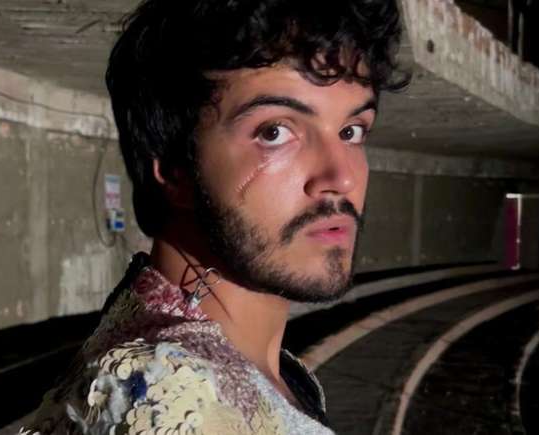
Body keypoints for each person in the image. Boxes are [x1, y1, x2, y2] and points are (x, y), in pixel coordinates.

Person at [23, 0, 407, 433]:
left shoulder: (222, 366)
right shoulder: (170, 403)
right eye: (274, 132)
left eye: (351, 131)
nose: (341, 178)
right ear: (174, 168)